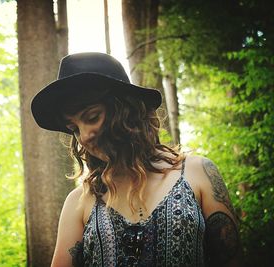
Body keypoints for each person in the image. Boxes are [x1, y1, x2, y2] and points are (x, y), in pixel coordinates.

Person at [31, 52, 240, 267]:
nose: (84, 137)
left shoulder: (198, 173)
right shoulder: (79, 202)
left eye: (92, 117)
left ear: (127, 109)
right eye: (74, 129)